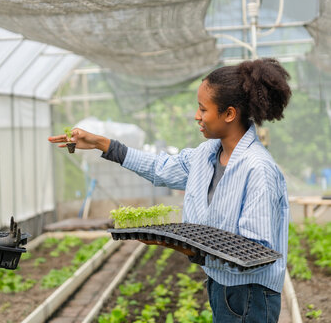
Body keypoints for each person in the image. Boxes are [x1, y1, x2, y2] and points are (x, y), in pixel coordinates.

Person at [49, 58, 291, 323]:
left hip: (251, 294)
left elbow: (253, 252)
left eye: (203, 109)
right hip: (220, 284)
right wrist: (101, 143)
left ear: (229, 114)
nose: (197, 116)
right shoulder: (207, 155)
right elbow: (160, 167)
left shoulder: (258, 169)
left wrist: (181, 245)